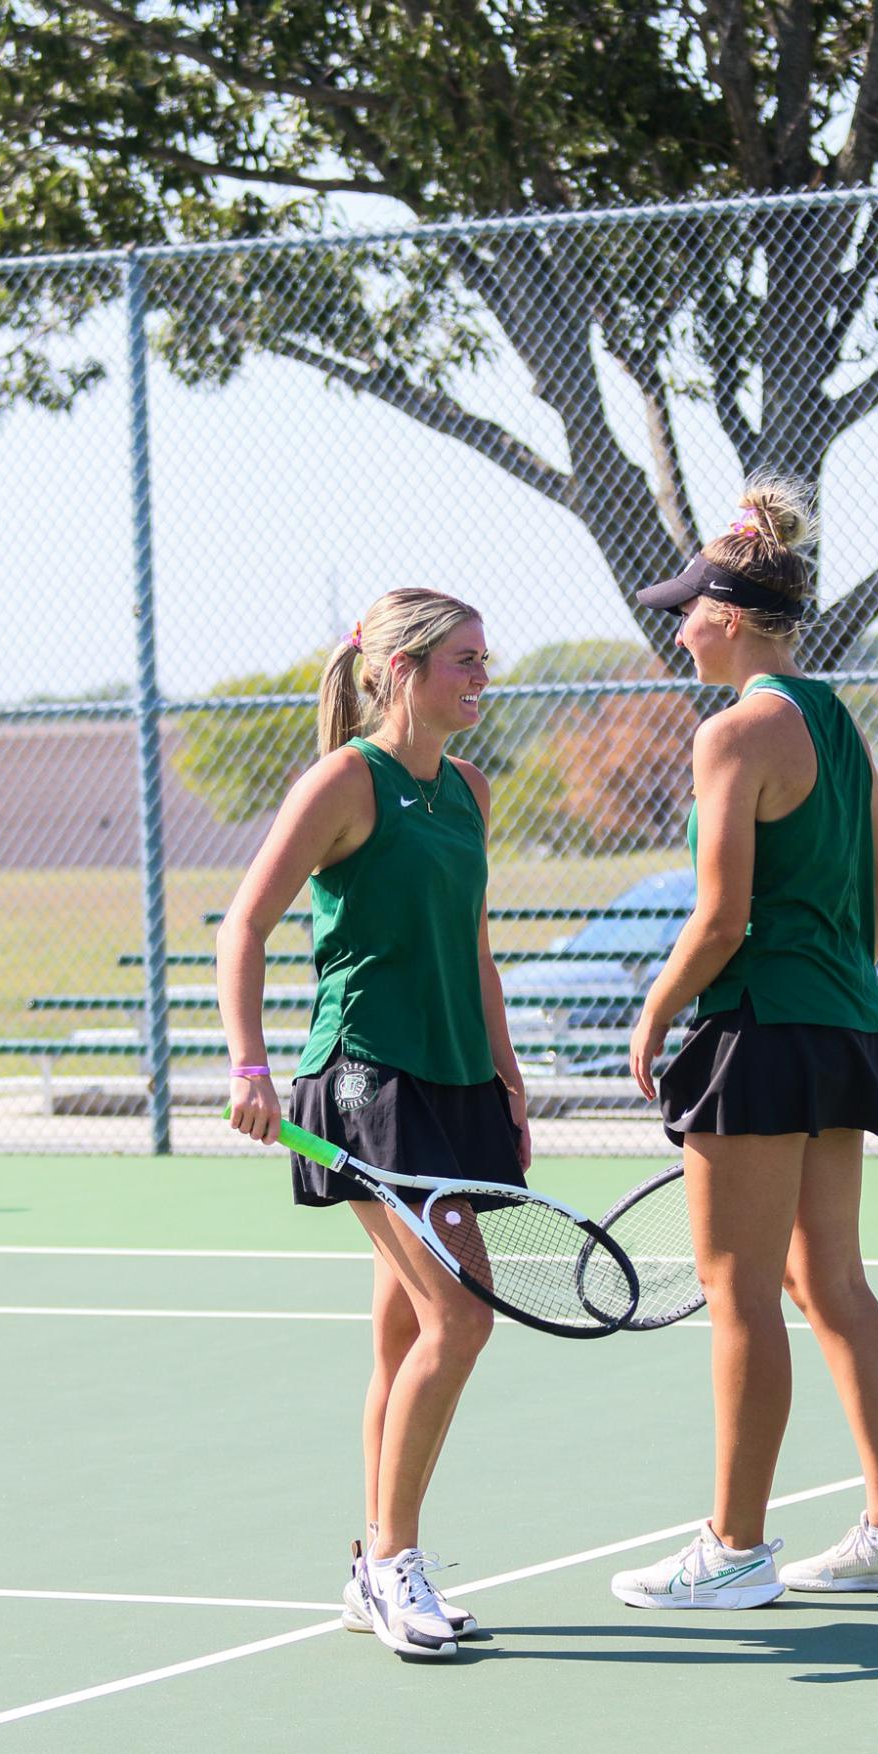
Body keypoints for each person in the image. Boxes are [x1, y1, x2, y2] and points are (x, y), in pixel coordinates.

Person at [609, 481, 878, 1609]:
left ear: (730, 613)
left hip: (756, 1033)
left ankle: (733, 1549)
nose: (674, 630)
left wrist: (655, 1011)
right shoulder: (836, 722)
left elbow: (716, 919)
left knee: (740, 1295)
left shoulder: (734, 732)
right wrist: (834, 976)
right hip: (844, 1024)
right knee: (830, 1281)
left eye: (684, 613)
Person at [217, 590, 530, 1659]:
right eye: (460, 661)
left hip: (453, 1081)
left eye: (483, 659)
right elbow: (245, 923)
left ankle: (368, 1567)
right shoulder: (345, 782)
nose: (480, 678)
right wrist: (250, 1062)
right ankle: (396, 1564)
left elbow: (475, 948)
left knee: (405, 1331)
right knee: (461, 1317)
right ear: (396, 671)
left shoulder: (470, 793)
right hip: (364, 1082)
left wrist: (506, 1074)